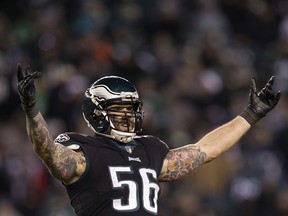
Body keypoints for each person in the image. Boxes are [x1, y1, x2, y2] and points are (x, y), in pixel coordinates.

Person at [16, 63, 281, 216]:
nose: (126, 117)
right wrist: (32, 109)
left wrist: (249, 115)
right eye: (117, 110)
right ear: (96, 114)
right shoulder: (84, 150)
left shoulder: (149, 149)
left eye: (130, 110)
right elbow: (49, 152)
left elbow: (204, 150)